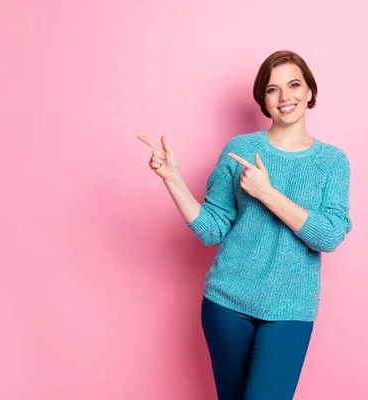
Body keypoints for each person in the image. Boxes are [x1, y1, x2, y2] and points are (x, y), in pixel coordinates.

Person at [137, 50, 352, 400]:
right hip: (226, 304)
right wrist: (172, 178)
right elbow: (211, 229)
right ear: (263, 100)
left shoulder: (331, 162)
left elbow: (328, 236)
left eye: (294, 85)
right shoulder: (240, 149)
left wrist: (267, 194)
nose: (285, 97)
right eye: (272, 89)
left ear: (310, 92)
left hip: (290, 311)